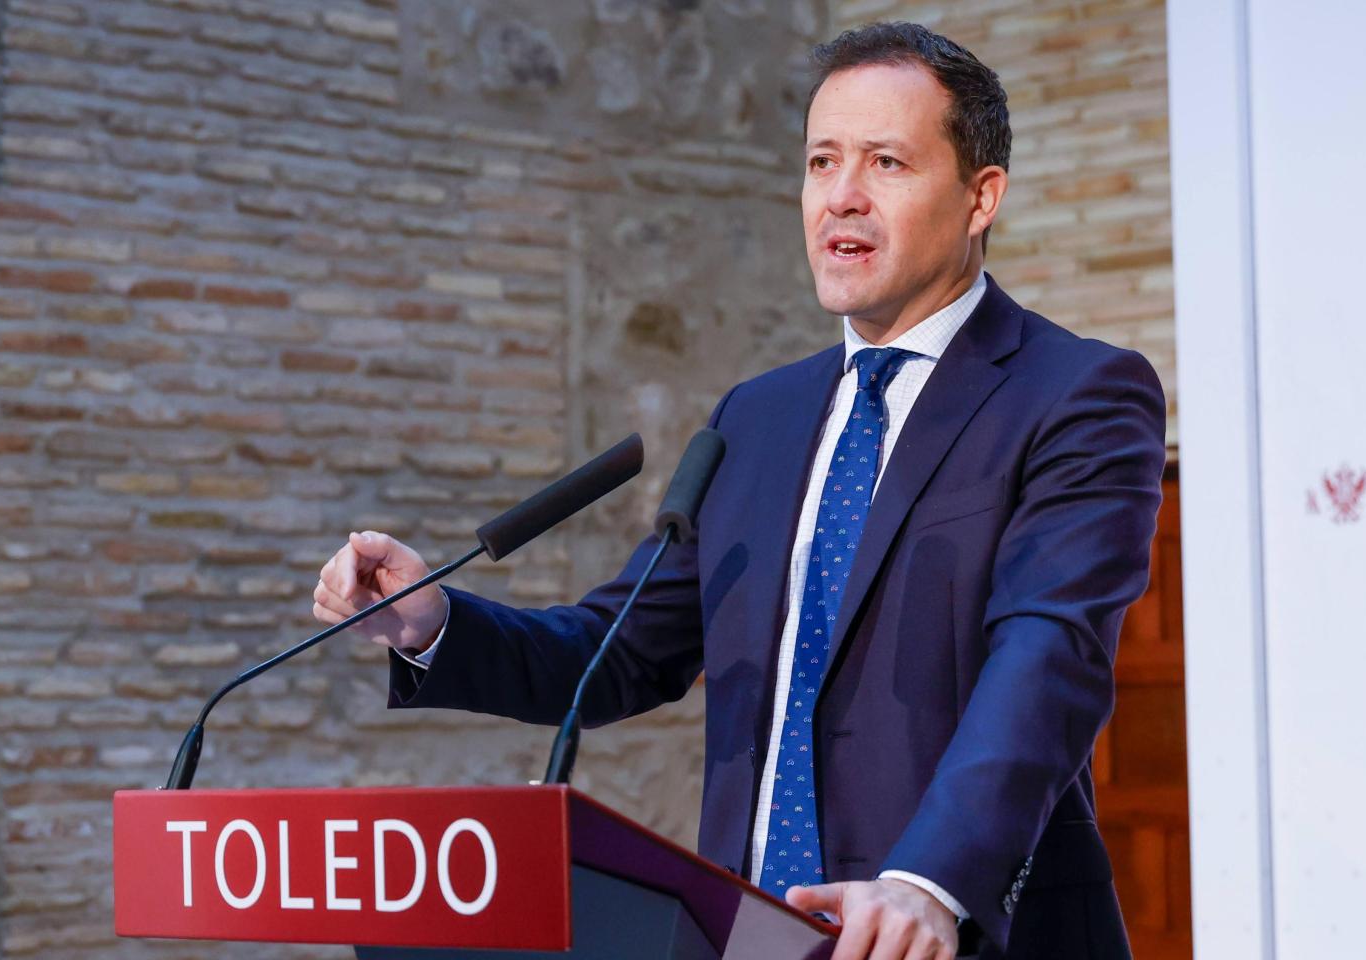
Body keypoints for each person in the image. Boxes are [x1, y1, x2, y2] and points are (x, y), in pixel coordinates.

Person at [312, 22, 1164, 960]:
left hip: (957, 934)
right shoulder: (757, 419)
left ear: (979, 197)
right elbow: (621, 650)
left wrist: (931, 880)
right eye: (821, 161)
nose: (842, 197)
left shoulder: (1076, 394)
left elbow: (1048, 656)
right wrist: (433, 624)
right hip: (752, 936)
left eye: (886, 162)